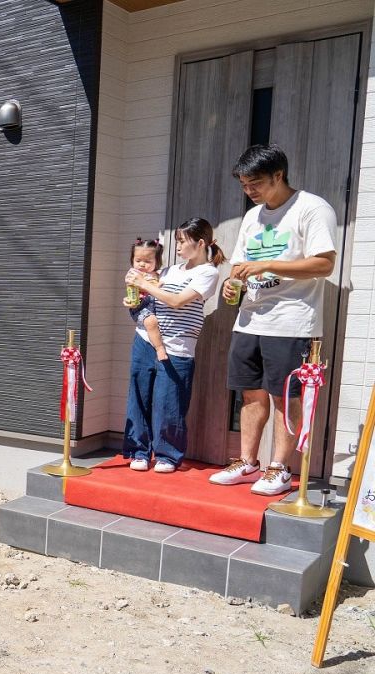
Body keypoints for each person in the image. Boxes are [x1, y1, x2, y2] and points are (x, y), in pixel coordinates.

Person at [210, 144, 338, 495]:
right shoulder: (252, 217)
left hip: (292, 319)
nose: (249, 191)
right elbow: (239, 266)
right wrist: (232, 284)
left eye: (256, 184)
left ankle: (280, 468)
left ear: (278, 175)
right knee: (250, 395)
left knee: (286, 397)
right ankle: (247, 462)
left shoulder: (312, 208)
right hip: (250, 319)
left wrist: (268, 265)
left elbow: (324, 264)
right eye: (244, 185)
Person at [122, 218, 223, 473]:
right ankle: (138, 451)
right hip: (145, 340)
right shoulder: (169, 271)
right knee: (139, 397)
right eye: (176, 241)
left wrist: (145, 284)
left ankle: (167, 455)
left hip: (178, 346)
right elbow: (148, 297)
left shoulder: (208, 272)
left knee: (170, 403)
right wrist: (134, 294)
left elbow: (177, 301)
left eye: (182, 241)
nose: (177, 246)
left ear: (200, 243)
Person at [124, 237, 170, 361]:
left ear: (157, 261)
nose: (142, 264)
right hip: (141, 305)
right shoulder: (134, 274)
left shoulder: (159, 273)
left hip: (155, 305)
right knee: (151, 322)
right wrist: (153, 286)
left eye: (148, 261)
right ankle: (160, 348)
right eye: (138, 260)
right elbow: (133, 288)